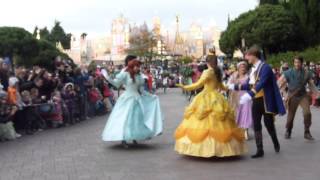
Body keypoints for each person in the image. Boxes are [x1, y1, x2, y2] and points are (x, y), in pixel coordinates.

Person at [174, 55, 247, 158]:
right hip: (217, 97)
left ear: (207, 62)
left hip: (206, 97)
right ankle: (222, 149)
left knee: (201, 121)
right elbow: (221, 86)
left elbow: (198, 84)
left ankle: (207, 150)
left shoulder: (207, 72)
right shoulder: (217, 71)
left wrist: (185, 86)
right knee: (220, 121)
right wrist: (230, 88)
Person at [228, 46, 286, 159]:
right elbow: (249, 84)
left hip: (266, 101)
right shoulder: (253, 69)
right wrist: (233, 86)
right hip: (256, 101)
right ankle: (260, 149)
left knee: (269, 124)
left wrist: (249, 95)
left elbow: (261, 84)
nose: (246, 58)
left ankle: (275, 141)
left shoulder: (266, 68)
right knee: (256, 124)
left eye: (248, 55)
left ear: (254, 55)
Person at [102, 60, 163, 148]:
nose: (138, 68)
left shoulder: (139, 76)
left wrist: (151, 96)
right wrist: (107, 77)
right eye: (137, 66)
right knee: (125, 118)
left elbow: (141, 90)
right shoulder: (125, 74)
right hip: (127, 99)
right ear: (132, 66)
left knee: (136, 119)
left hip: (136, 99)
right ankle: (124, 139)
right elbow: (116, 84)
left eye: (139, 66)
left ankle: (133, 137)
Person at [278, 56, 319, 140]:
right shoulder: (288, 72)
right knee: (291, 116)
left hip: (303, 96)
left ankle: (307, 132)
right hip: (292, 96)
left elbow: (311, 84)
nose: (297, 64)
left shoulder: (307, 73)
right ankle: (288, 130)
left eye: (298, 62)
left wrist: (317, 93)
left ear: (302, 63)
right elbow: (279, 83)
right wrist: (284, 94)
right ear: (293, 63)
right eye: (295, 62)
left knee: (307, 113)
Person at [228, 61, 252, 140]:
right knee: (237, 114)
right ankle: (237, 130)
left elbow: (250, 86)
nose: (243, 68)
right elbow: (228, 84)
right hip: (236, 98)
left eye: (244, 67)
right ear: (238, 68)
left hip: (245, 98)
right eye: (241, 67)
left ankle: (245, 131)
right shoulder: (234, 76)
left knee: (246, 114)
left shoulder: (248, 77)